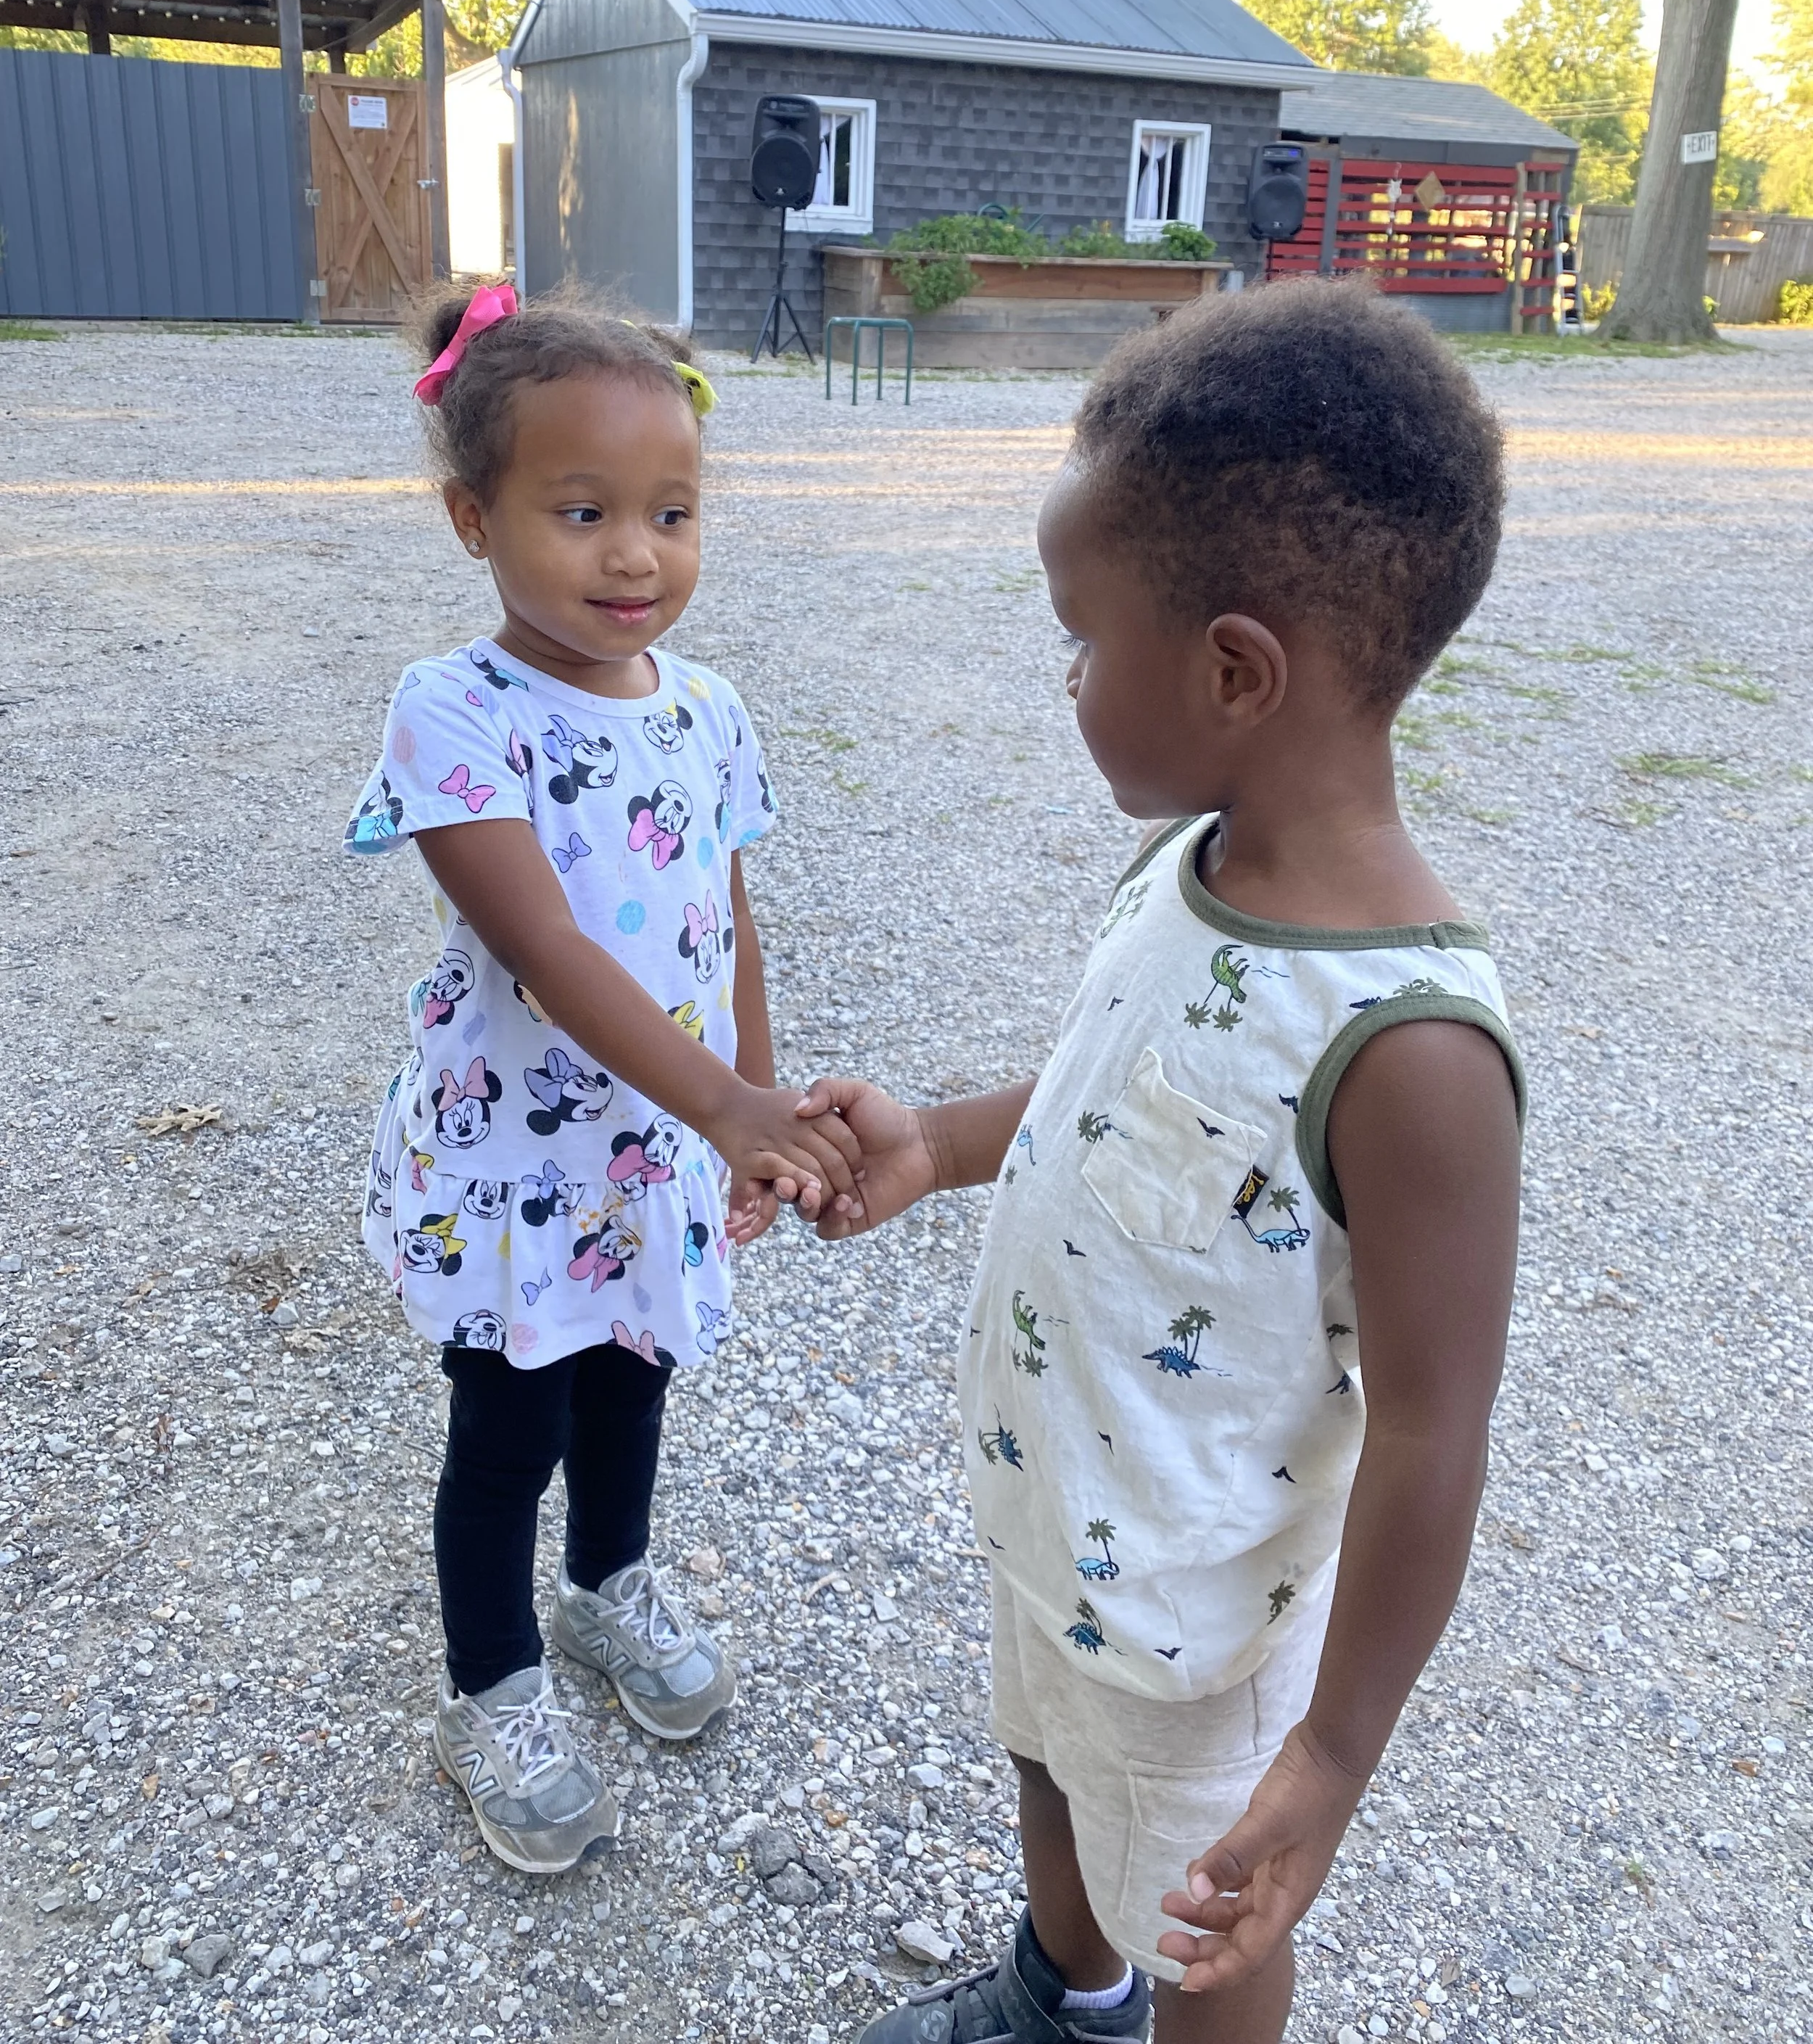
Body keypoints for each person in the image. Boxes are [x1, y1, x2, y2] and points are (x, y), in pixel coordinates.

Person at [804, 277, 1526, 2043]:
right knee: (1046, 1769)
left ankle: (1135, 1991)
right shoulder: (1189, 863)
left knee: (1207, 1916)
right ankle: (1061, 1996)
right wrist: (936, 1145)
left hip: (1195, 1624)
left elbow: (1435, 1429)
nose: (1062, 674)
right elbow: (1103, 1093)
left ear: (1229, 669)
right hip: (1054, 1511)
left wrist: (1331, 1753)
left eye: (1078, 633)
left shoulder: (1412, 1051)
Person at [344, 283, 861, 1874]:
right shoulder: (455, 713)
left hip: (658, 1159)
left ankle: (607, 1583)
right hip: (520, 1162)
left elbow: (724, 913)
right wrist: (724, 1105)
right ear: (468, 516)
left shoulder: (711, 711)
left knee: (637, 1377)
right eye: (580, 512)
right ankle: (489, 1682)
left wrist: (753, 1118)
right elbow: (549, 949)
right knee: (508, 1428)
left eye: (670, 512)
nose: (634, 554)